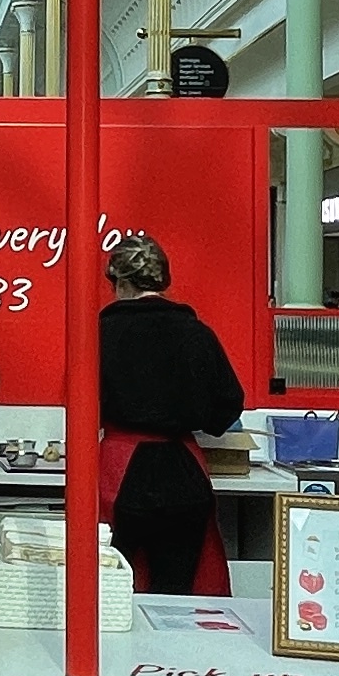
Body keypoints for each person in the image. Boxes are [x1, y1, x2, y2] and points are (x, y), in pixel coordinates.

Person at [97, 229, 242, 596]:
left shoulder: (99, 333)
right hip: (183, 469)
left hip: (120, 467)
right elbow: (228, 404)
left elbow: (82, 402)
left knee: (113, 587)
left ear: (120, 281)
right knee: (178, 591)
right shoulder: (196, 333)